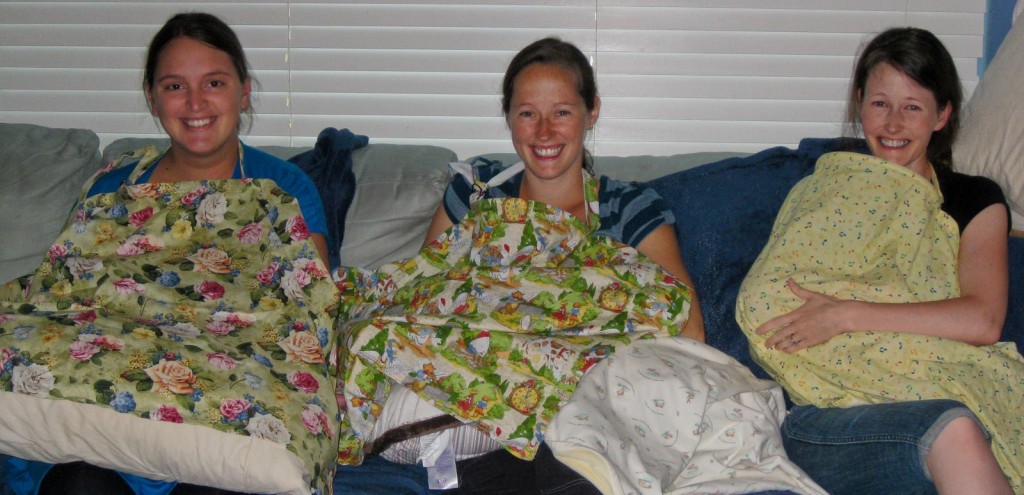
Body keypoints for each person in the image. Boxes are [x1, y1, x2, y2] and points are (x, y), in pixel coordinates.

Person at [333, 37, 706, 494]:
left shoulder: (627, 206)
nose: (544, 133)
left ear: (592, 113)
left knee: (571, 463)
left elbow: (687, 328)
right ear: (509, 116)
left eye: (562, 113)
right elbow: (427, 296)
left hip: (585, 400)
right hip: (483, 396)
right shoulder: (474, 196)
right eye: (528, 113)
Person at [0, 12, 337, 495]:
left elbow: (308, 310)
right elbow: (62, 290)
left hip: (224, 388)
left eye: (214, 83)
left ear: (243, 92)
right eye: (175, 86)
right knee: (79, 485)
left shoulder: (282, 187)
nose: (196, 102)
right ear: (152, 98)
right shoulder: (113, 185)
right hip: (105, 387)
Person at [736, 27, 1018, 494]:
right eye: (879, 104)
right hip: (824, 414)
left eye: (912, 107)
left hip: (942, 388)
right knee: (954, 428)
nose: (892, 125)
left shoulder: (974, 199)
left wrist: (844, 314)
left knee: (953, 422)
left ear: (942, 115)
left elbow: (984, 319)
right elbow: (767, 296)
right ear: (860, 104)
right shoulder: (825, 186)